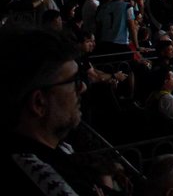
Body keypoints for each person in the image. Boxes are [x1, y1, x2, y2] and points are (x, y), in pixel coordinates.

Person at [0, 25, 106, 196]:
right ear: (39, 103)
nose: (82, 87)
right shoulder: (44, 179)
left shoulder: (55, 148)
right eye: (74, 81)